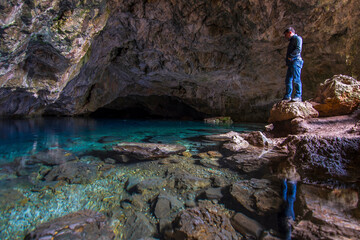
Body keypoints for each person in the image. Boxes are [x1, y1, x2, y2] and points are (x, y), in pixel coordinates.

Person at [283, 27, 304, 102]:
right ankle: (287, 96)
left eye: (286, 35)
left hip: (296, 61)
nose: (285, 37)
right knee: (288, 79)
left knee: (296, 79)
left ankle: (298, 96)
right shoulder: (292, 41)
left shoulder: (298, 38)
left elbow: (298, 49)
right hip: (291, 63)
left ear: (290, 33)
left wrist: (290, 57)